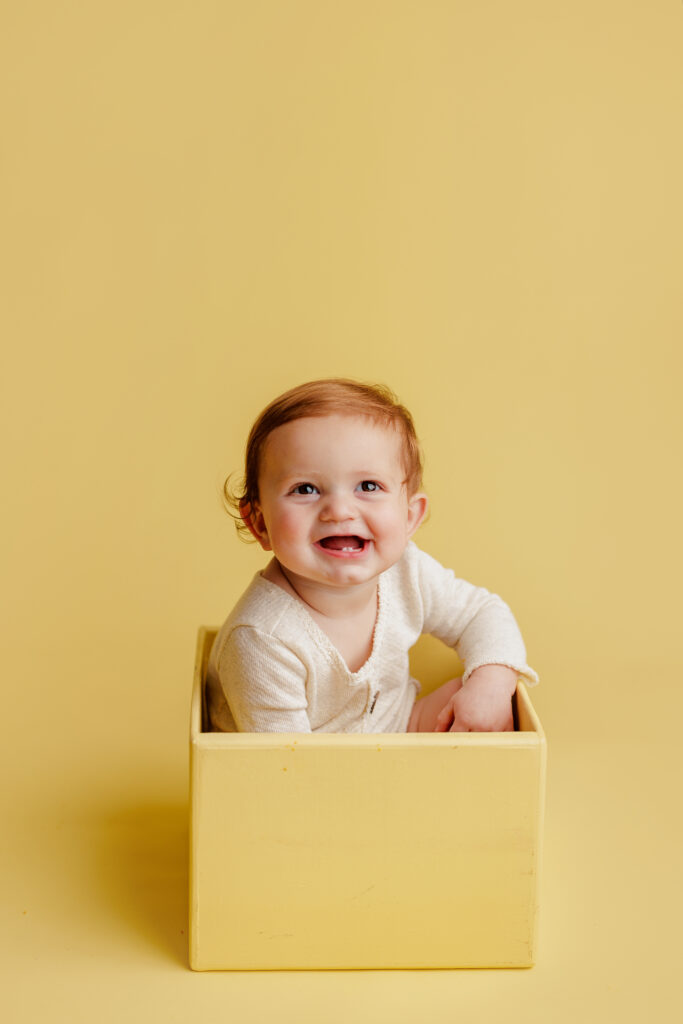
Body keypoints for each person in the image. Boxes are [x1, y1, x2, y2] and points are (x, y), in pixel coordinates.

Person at [206, 379, 538, 734]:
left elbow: (481, 613)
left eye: (368, 486)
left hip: (399, 730)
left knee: (485, 703)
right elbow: (288, 771)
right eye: (305, 488)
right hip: (308, 772)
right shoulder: (262, 639)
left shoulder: (405, 572)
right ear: (259, 523)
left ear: (410, 516)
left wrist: (490, 683)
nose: (339, 510)